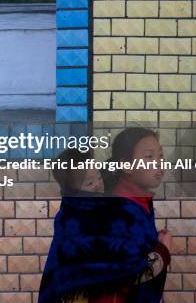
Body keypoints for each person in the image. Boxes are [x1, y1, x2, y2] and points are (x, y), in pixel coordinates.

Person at [39, 128, 172, 303]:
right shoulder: (98, 217)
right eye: (89, 183)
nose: (97, 185)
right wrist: (163, 250)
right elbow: (131, 273)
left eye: (99, 178)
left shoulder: (98, 207)